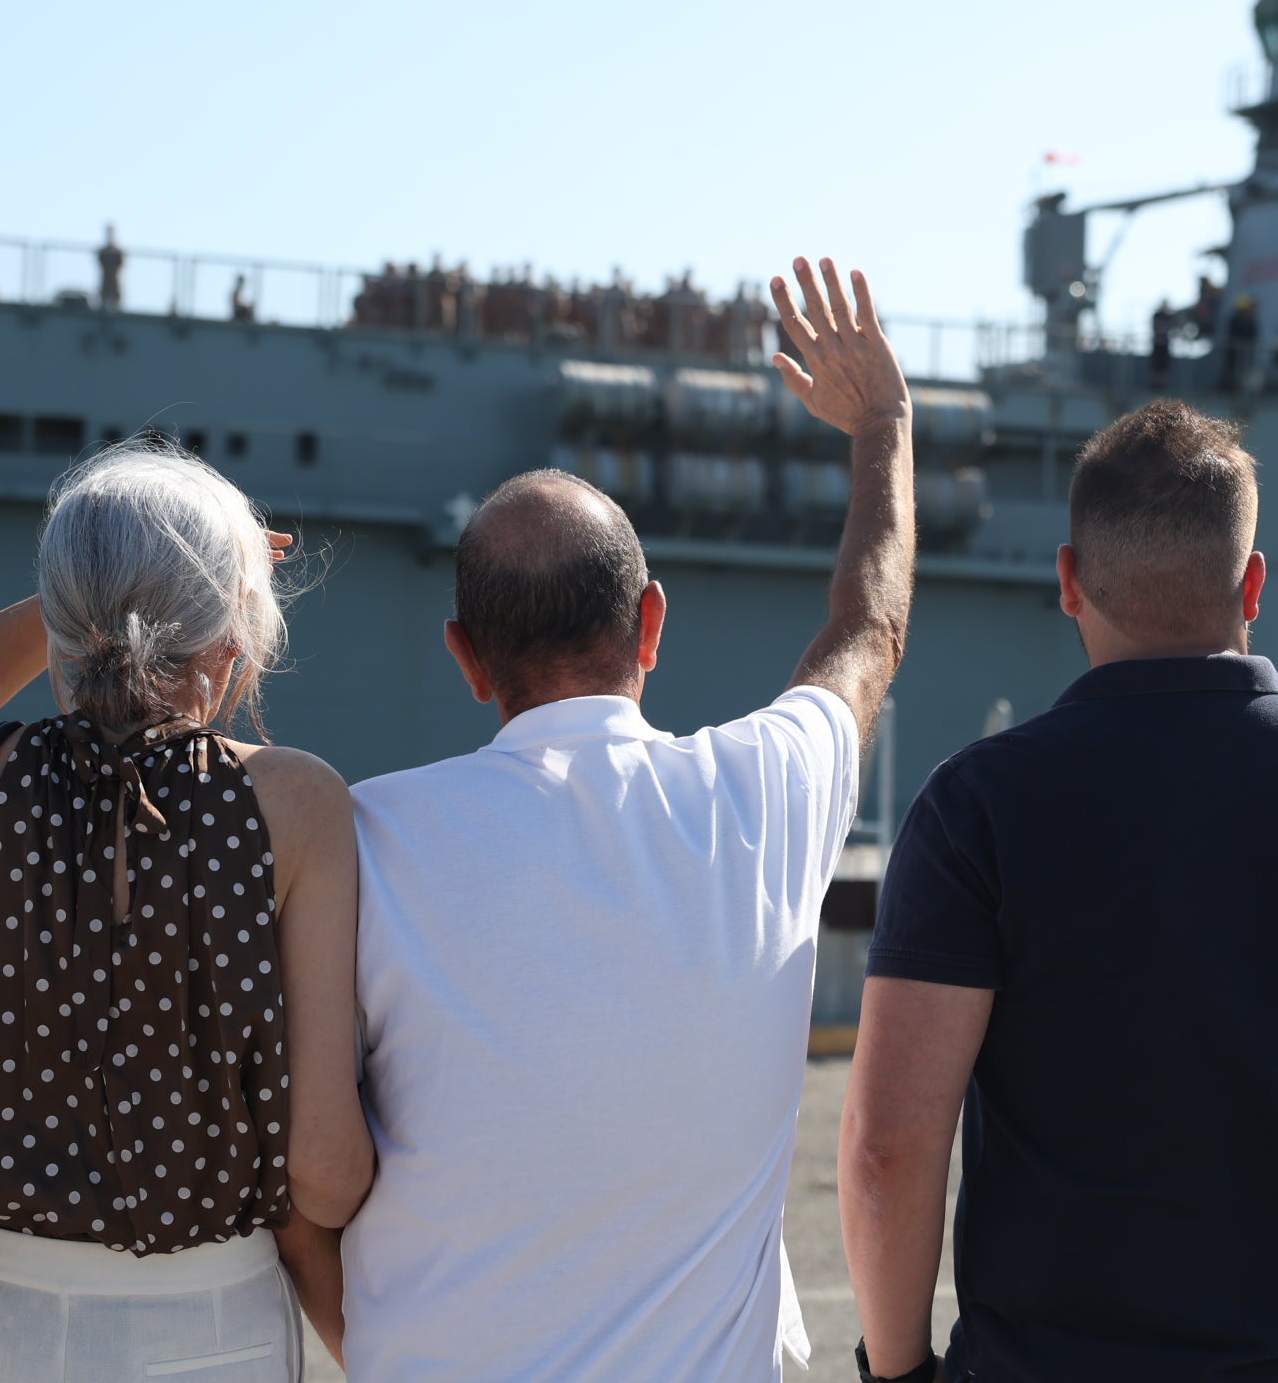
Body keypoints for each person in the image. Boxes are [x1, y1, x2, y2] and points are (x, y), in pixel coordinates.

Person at [326, 255, 915, 1382]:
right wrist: (883, 424)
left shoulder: (362, 838)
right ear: (651, 623)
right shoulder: (765, 792)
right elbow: (867, 628)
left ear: (464, 658)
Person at [841, 398, 1278, 1383]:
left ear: (1069, 581)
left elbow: (889, 1146)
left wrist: (895, 1375)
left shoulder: (975, 809)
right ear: (1253, 583)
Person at [0, 440, 375, 1382]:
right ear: (232, 640)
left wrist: (94, 587)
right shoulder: (295, 805)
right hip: (205, 1324)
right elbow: (326, 1168)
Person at [97, 225, 125, 309]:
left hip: (114, 282)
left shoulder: (118, 251)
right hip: (105, 283)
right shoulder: (103, 251)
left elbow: (120, 263)